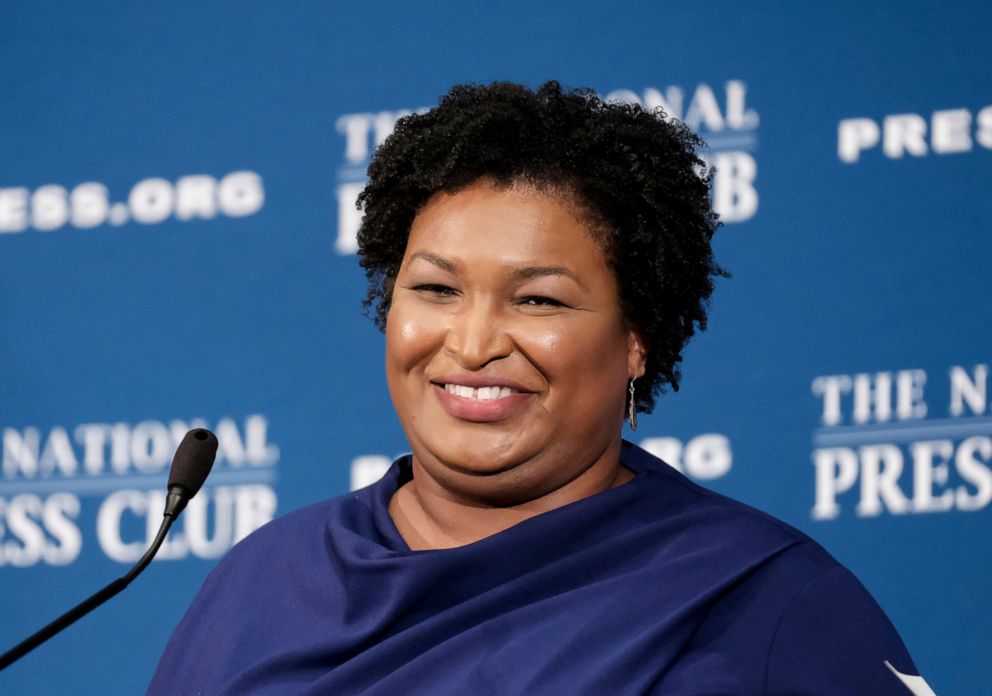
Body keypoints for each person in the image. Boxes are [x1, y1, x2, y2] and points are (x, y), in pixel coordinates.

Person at [149, 82, 933, 695]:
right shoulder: (259, 585)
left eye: (539, 300)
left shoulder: (764, 603)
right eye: (436, 290)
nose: (475, 343)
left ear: (636, 340)